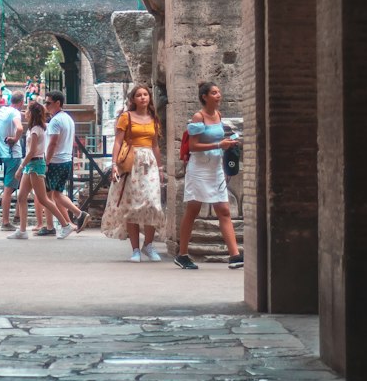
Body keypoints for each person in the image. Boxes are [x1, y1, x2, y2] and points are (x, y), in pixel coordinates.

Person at [174, 81, 243, 270]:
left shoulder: (219, 115)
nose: (218, 95)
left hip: (215, 167)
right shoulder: (199, 117)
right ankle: (182, 254)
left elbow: (217, 140)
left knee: (224, 210)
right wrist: (219, 145)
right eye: (214, 92)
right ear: (205, 96)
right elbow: (193, 146)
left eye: (219, 92)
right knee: (193, 210)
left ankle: (235, 255)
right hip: (199, 169)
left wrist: (227, 144)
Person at [100, 84, 164, 261]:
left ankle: (148, 245)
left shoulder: (153, 118)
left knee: (152, 203)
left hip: (148, 162)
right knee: (132, 205)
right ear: (133, 99)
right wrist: (114, 164)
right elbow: (118, 142)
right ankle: (135, 249)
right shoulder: (126, 117)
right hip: (131, 162)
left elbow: (155, 145)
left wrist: (160, 167)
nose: (143, 97)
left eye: (145, 94)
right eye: (139, 95)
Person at [7, 101, 65, 240]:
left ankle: (65, 224)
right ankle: (22, 230)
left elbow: (32, 151)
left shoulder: (35, 130)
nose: (25, 113)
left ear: (31, 113)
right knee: (21, 197)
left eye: (27, 110)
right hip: (32, 165)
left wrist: (20, 167)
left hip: (35, 164)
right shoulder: (37, 128)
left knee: (43, 199)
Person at [42, 91, 90, 237]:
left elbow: (52, 143)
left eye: (48, 103)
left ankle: (73, 216)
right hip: (66, 160)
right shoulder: (68, 118)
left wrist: (46, 162)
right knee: (55, 194)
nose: (46, 106)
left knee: (49, 196)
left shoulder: (55, 121)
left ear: (58, 103)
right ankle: (67, 222)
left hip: (56, 161)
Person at [0, 92, 25, 231]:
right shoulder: (15, 114)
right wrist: (16, 139)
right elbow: (19, 128)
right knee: (9, 189)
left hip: (3, 154)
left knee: (16, 186)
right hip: (13, 154)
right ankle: (6, 222)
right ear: (21, 102)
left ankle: (16, 216)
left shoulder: (2, 110)